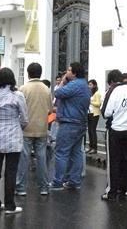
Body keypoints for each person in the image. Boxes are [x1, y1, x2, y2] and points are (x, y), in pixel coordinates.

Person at [0, 67, 28, 214]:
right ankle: (10, 205)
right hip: (13, 137)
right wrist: (17, 127)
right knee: (11, 172)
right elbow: (24, 118)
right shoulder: (18, 96)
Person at [100, 69, 127, 201]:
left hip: (115, 130)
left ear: (112, 81)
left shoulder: (112, 91)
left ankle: (112, 192)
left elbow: (105, 113)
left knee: (113, 162)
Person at [50, 62, 90, 190]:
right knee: (76, 152)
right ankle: (74, 180)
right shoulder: (84, 85)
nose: (66, 72)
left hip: (69, 122)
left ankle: (58, 182)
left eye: (68, 70)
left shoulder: (74, 85)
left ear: (74, 73)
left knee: (61, 152)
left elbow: (58, 93)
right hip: (80, 122)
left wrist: (62, 81)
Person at [15, 62, 52, 196]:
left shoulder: (23, 89)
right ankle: (43, 187)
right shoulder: (46, 89)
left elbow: (18, 109)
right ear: (40, 73)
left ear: (28, 73)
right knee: (41, 158)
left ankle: (21, 187)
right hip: (42, 128)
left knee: (23, 158)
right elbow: (49, 110)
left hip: (25, 128)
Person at [87, 79, 101, 154]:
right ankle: (90, 147)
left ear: (94, 85)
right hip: (89, 113)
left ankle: (94, 148)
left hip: (95, 114)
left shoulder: (97, 93)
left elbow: (98, 104)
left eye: (90, 85)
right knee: (89, 130)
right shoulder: (90, 93)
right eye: (88, 85)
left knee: (93, 130)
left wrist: (91, 102)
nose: (89, 86)